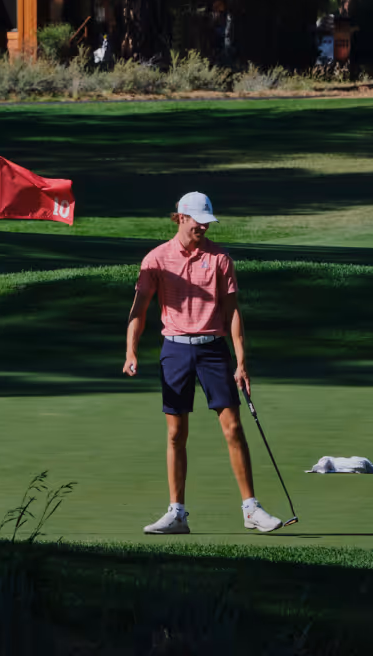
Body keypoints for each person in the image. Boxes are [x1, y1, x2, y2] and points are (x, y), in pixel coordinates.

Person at [123, 191, 283, 535]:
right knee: (176, 434)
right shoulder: (156, 259)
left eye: (208, 223)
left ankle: (251, 509)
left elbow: (232, 311)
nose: (204, 229)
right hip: (175, 350)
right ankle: (177, 513)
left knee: (233, 428)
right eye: (199, 222)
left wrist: (241, 361)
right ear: (180, 218)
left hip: (213, 349)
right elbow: (139, 310)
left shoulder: (220, 258)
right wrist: (131, 351)